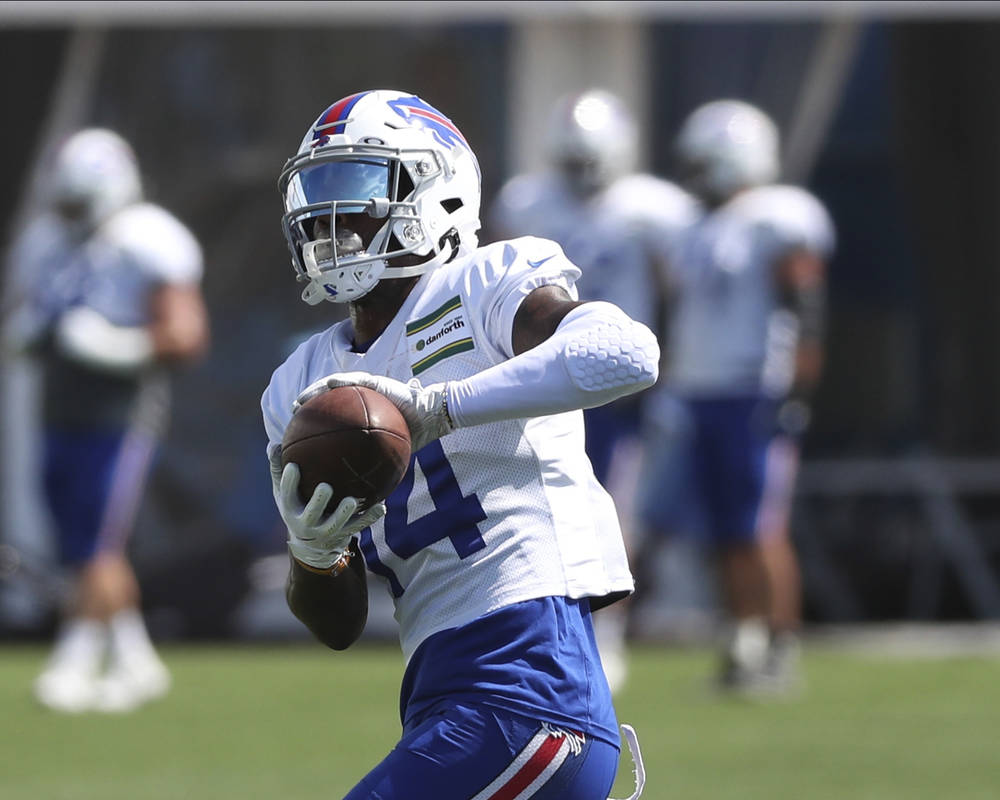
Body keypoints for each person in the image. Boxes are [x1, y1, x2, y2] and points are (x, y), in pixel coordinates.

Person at [262, 89, 653, 799]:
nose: (331, 215)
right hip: (439, 697)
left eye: (357, 186)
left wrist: (442, 407)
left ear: (437, 193)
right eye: (317, 191)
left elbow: (626, 353)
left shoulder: (485, 285)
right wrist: (313, 553)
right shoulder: (301, 380)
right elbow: (338, 626)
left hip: (527, 683)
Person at [489, 89, 697, 693]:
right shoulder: (529, 200)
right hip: (539, 382)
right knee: (532, 507)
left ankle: (605, 633)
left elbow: (678, 290)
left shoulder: (653, 208)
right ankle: (541, 632)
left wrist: (667, 363)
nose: (583, 175)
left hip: (615, 388)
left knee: (613, 509)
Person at [1, 128, 210, 713]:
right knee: (80, 540)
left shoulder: (148, 238)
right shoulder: (45, 240)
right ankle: (137, 659)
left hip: (120, 409)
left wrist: (119, 345)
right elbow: (23, 316)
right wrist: (27, 334)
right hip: (58, 407)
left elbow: (186, 335)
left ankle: (75, 656)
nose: (68, 213)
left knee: (97, 539)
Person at [652, 99, 834, 693]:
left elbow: (806, 309)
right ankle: (743, 641)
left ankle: (779, 645)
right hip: (700, 392)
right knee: (723, 529)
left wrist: (799, 388)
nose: (697, 174)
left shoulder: (776, 216)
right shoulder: (696, 225)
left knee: (760, 526)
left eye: (706, 162)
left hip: (753, 391)